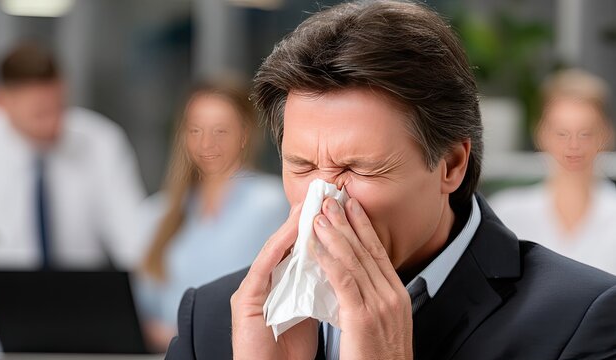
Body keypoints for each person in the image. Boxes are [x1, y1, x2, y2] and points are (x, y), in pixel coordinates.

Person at [165, 2, 616, 359]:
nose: (324, 201)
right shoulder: (212, 319)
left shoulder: (580, 319)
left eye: (359, 169)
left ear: (452, 166)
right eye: (301, 166)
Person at [135, 82, 290, 351]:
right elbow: (143, 307)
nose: (207, 143)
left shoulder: (271, 204)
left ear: (245, 134)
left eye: (221, 130)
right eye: (196, 130)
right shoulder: (157, 213)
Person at [0, 43, 146, 273]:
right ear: (0, 102)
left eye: (59, 107)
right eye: (40, 113)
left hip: (82, 298)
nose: (54, 123)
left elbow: (133, 239)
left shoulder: (101, 142)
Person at [491, 69, 616, 275]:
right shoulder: (506, 215)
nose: (573, 145)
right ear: (541, 134)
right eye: (561, 133)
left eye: (585, 133)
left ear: (606, 135)